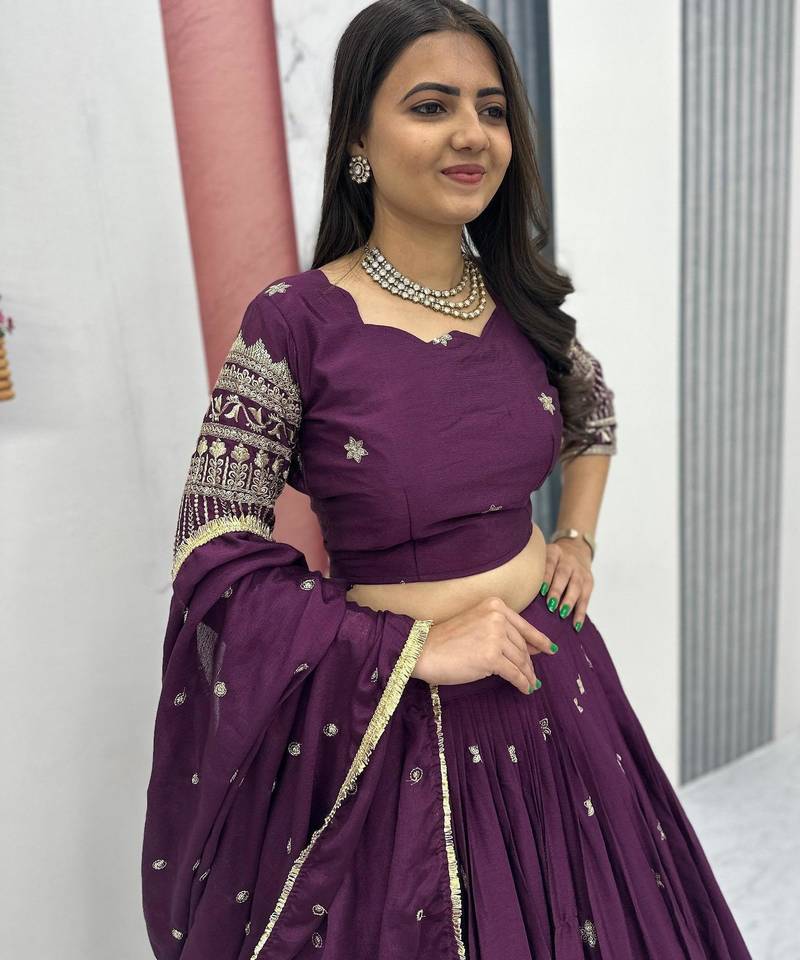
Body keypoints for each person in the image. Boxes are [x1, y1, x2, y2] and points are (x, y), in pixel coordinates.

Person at [141, 2, 753, 957]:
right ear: (358, 138)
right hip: (397, 727)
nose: (473, 134)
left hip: (558, 687)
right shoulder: (295, 322)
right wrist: (409, 649)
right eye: (432, 106)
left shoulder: (518, 297)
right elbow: (212, 548)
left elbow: (593, 414)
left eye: (492, 109)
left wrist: (575, 536)